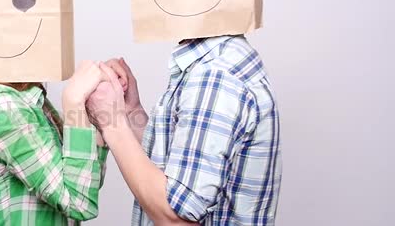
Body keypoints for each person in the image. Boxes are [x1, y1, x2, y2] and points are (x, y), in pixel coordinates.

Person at [87, 35, 281, 225]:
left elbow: (176, 219)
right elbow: (179, 170)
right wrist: (131, 111)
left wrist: (112, 123)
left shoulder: (215, 77)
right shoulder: (222, 58)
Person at [0, 61, 109, 225]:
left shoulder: (29, 99)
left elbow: (84, 183)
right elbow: (78, 202)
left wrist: (97, 110)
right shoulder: (2, 104)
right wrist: (74, 102)